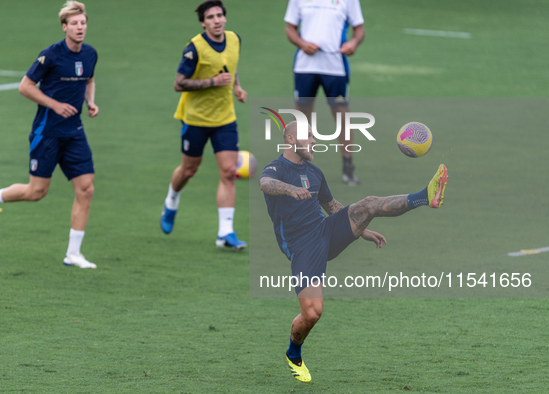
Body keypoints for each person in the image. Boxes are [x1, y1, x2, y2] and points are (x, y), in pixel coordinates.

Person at [259, 121, 448, 383]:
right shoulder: (277, 168)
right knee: (313, 312)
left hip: (325, 230)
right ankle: (293, 353)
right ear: (290, 139)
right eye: (309, 136)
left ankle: (425, 196)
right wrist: (290, 189)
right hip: (301, 246)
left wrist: (362, 230)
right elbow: (265, 183)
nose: (314, 141)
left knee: (368, 205)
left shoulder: (315, 172)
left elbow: (332, 205)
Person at [0, 1, 99, 269]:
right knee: (37, 191)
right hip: (47, 131)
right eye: (74, 23)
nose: (80, 27)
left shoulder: (90, 54)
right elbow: (25, 86)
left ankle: (73, 253)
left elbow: (88, 79)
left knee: (86, 189)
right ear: (64, 27)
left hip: (74, 132)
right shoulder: (50, 55)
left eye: (83, 23)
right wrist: (54, 105)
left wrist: (90, 102)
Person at [160, 0, 248, 250]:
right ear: (203, 22)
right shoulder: (194, 48)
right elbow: (179, 83)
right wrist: (214, 82)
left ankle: (226, 233)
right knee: (188, 171)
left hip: (225, 119)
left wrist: (237, 87)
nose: (217, 20)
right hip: (196, 120)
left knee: (229, 172)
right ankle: (172, 201)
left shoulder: (234, 39)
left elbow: (231, 66)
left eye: (220, 15)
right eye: (210, 17)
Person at [284, 0, 365, 185]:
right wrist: (302, 43)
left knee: (341, 116)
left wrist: (353, 43)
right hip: (305, 66)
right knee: (301, 117)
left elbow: (359, 30)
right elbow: (290, 28)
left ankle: (348, 167)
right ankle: (296, 166)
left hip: (335, 67)